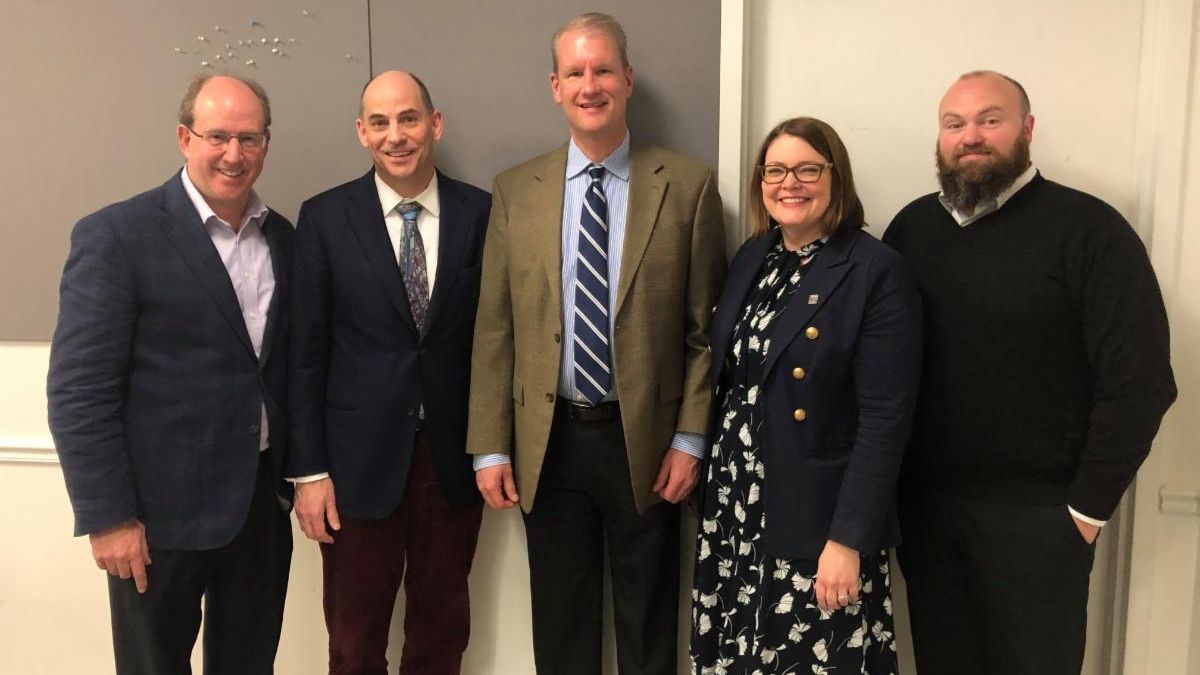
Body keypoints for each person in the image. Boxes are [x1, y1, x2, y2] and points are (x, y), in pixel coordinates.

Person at [883, 70, 1177, 675]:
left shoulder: (1090, 231)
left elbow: (1141, 380)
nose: (970, 136)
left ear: (1027, 129)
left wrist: (1085, 512)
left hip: (1041, 521)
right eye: (954, 123)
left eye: (990, 119)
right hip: (929, 519)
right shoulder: (911, 230)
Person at [466, 12, 726, 674]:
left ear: (628, 79)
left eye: (603, 69)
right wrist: (491, 445)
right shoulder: (515, 191)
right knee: (562, 625)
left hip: (649, 444)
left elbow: (705, 333)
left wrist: (691, 438)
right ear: (555, 86)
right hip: (548, 442)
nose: (590, 85)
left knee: (648, 623)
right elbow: (495, 328)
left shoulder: (687, 187)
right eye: (575, 72)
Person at [47, 73, 293, 674]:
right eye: (217, 136)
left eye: (249, 138)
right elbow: (79, 391)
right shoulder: (117, 235)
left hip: (258, 510)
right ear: (185, 138)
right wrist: (109, 517)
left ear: (265, 144)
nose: (233, 154)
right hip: (155, 522)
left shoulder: (282, 238)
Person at [690, 117, 921, 674]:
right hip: (736, 509)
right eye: (774, 170)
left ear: (836, 178)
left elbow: (885, 420)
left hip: (816, 519)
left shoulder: (874, 270)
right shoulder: (755, 257)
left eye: (807, 169)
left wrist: (847, 540)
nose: (788, 183)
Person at [287, 70, 490, 675]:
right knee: (354, 640)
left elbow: (495, 341)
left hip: (451, 463)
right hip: (354, 467)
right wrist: (309, 473)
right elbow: (305, 355)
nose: (395, 135)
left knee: (441, 633)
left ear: (435, 123)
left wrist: (495, 448)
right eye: (379, 122)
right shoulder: (324, 218)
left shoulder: (481, 212)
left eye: (408, 118)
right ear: (361, 131)